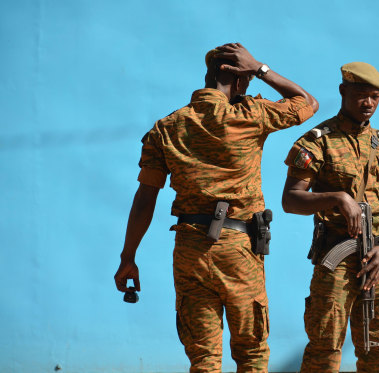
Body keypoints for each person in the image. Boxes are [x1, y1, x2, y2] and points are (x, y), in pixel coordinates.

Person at [114, 42, 318, 373]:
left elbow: (145, 198)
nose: (248, 86)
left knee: (203, 358)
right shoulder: (251, 115)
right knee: (251, 352)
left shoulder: (167, 127)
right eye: (247, 79)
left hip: (190, 248)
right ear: (238, 78)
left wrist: (128, 257)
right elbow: (308, 103)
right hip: (238, 249)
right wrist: (260, 68)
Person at [282, 62, 379, 372]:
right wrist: (337, 198)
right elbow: (290, 200)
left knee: (378, 347)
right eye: (361, 95)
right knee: (325, 348)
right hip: (336, 257)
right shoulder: (317, 142)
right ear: (343, 91)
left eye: (374, 97)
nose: (368, 103)